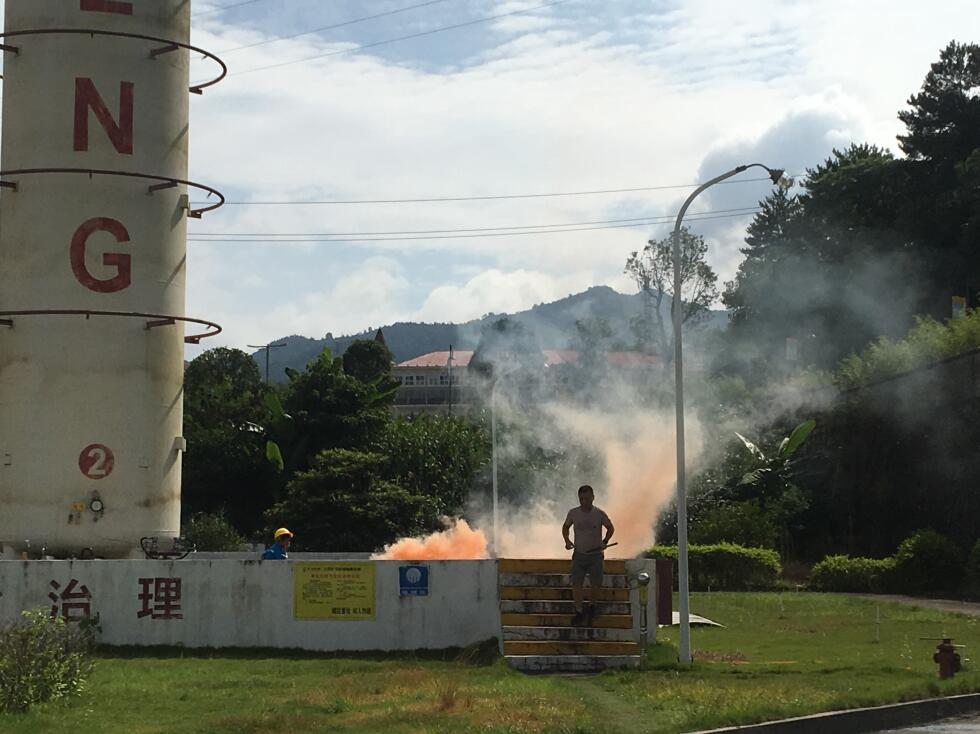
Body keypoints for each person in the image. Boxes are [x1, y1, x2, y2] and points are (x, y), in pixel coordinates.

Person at [562, 485, 614, 626]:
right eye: (581, 498)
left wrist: (605, 541)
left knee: (596, 583)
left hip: (596, 555)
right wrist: (567, 541)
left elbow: (610, 527)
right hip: (579, 554)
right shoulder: (573, 513)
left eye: (587, 498)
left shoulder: (599, 514)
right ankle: (579, 610)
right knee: (576, 583)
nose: (584, 501)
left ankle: (591, 606)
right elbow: (565, 527)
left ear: (593, 497)